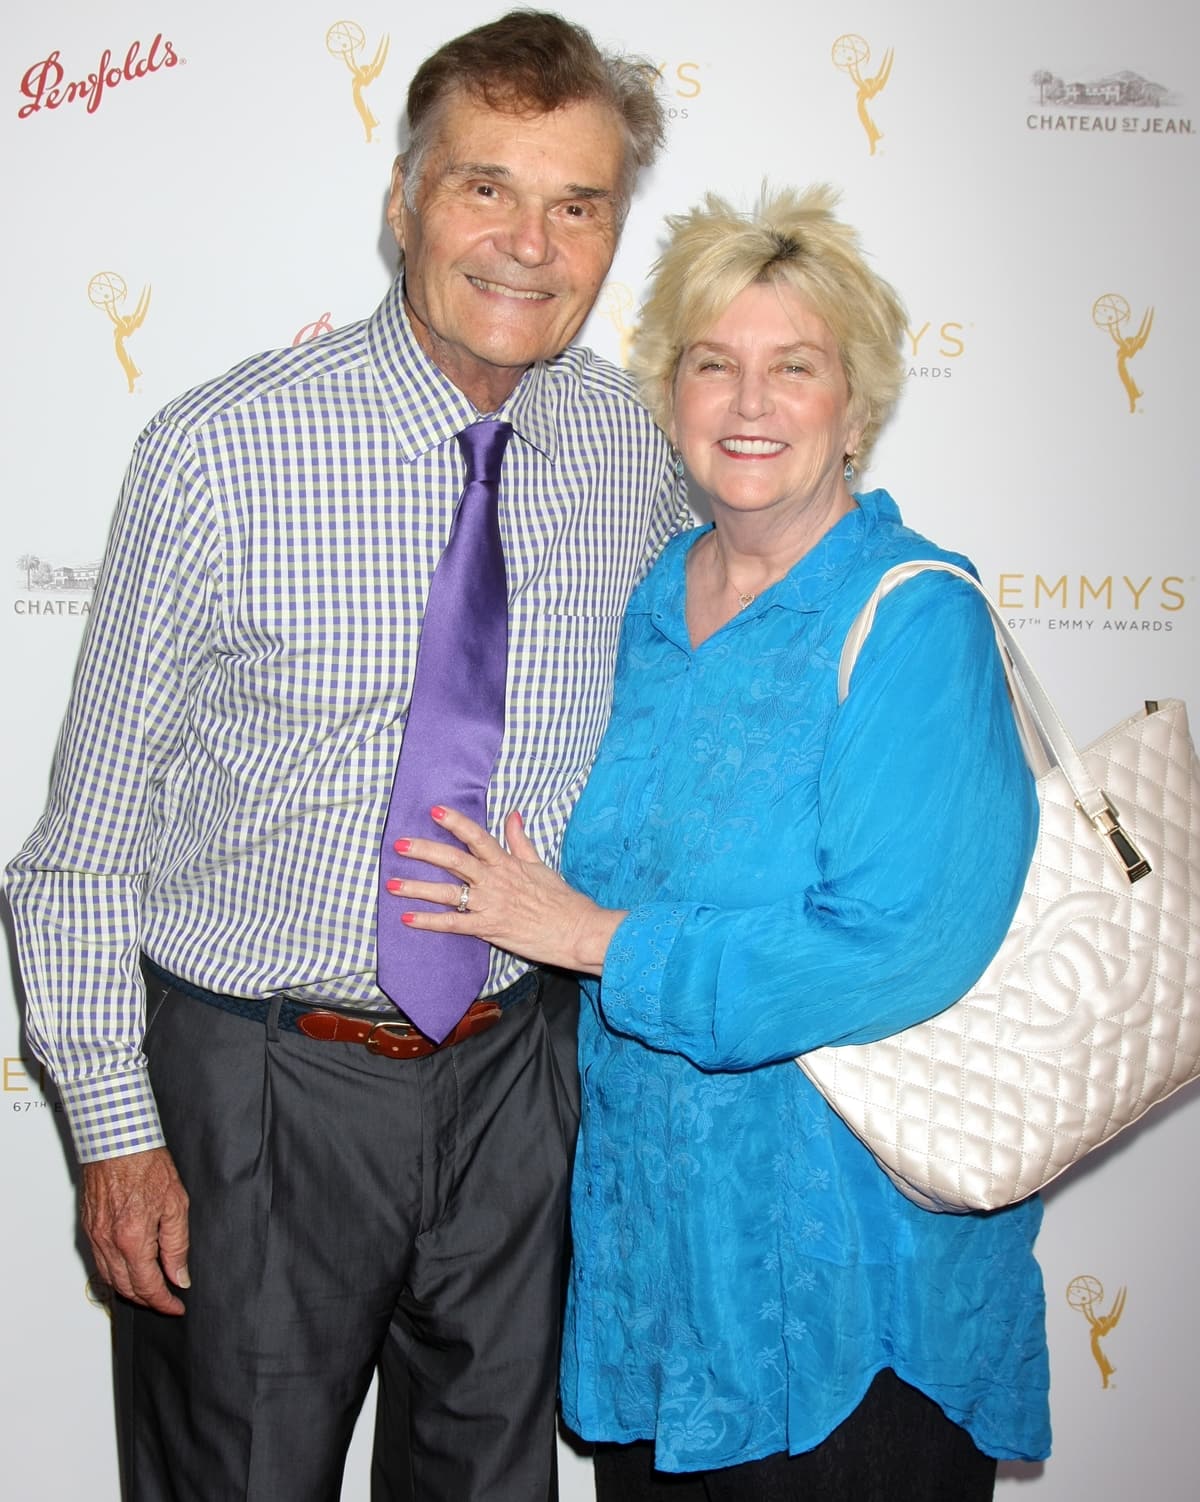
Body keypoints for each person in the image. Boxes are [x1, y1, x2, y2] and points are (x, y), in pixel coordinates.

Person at [5, 12, 689, 1500]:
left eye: (577, 203)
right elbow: (78, 847)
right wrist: (118, 1134)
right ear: (402, 203)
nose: (529, 241)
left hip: (519, 1074)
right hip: (261, 1082)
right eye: (485, 188)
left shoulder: (638, 450)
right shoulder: (219, 452)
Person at [385, 186, 1052, 1500]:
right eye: (714, 365)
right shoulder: (653, 594)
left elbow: (894, 949)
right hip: (658, 1280)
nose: (750, 403)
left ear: (852, 404)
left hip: (851, 1298)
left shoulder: (913, 615)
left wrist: (587, 937)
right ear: (669, 395)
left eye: (792, 368)